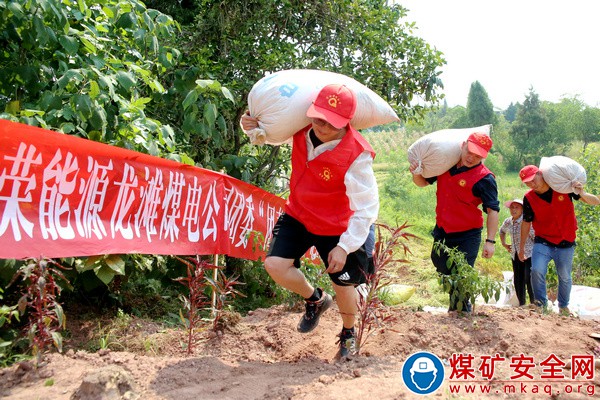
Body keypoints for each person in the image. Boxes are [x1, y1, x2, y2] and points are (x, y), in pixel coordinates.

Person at [240, 84, 378, 359]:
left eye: (330, 122)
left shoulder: (357, 153)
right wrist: (251, 126)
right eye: (317, 117)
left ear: (345, 123)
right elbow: (267, 136)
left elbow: (366, 208)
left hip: (338, 225)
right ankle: (315, 299)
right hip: (299, 214)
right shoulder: (300, 129)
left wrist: (345, 246)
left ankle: (349, 333)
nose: (321, 125)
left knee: (343, 283)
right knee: (275, 265)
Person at [409, 132, 499, 312]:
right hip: (443, 229)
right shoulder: (445, 164)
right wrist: (416, 173)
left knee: (461, 275)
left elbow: (493, 210)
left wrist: (490, 241)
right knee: (440, 262)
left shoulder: (485, 178)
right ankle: (457, 304)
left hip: (467, 234)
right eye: (470, 151)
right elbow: (423, 182)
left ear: (484, 157)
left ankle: (461, 311)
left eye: (478, 155)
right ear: (463, 144)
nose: (471, 157)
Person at [517, 165, 599, 315]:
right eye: (527, 183)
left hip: (565, 241)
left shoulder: (562, 188)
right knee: (536, 270)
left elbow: (595, 201)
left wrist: (582, 193)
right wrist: (521, 248)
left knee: (565, 276)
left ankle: (563, 306)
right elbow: (526, 222)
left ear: (540, 174)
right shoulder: (529, 198)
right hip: (543, 240)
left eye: (533, 180)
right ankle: (541, 304)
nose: (531, 184)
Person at [499, 198, 534, 306]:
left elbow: (534, 236)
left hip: (528, 254)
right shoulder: (509, 221)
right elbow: (502, 231)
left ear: (522, 209)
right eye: (512, 207)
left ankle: (534, 303)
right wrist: (504, 244)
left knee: (529, 278)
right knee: (518, 280)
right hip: (515, 253)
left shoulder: (527, 221)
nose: (514, 210)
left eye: (517, 207)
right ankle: (522, 303)